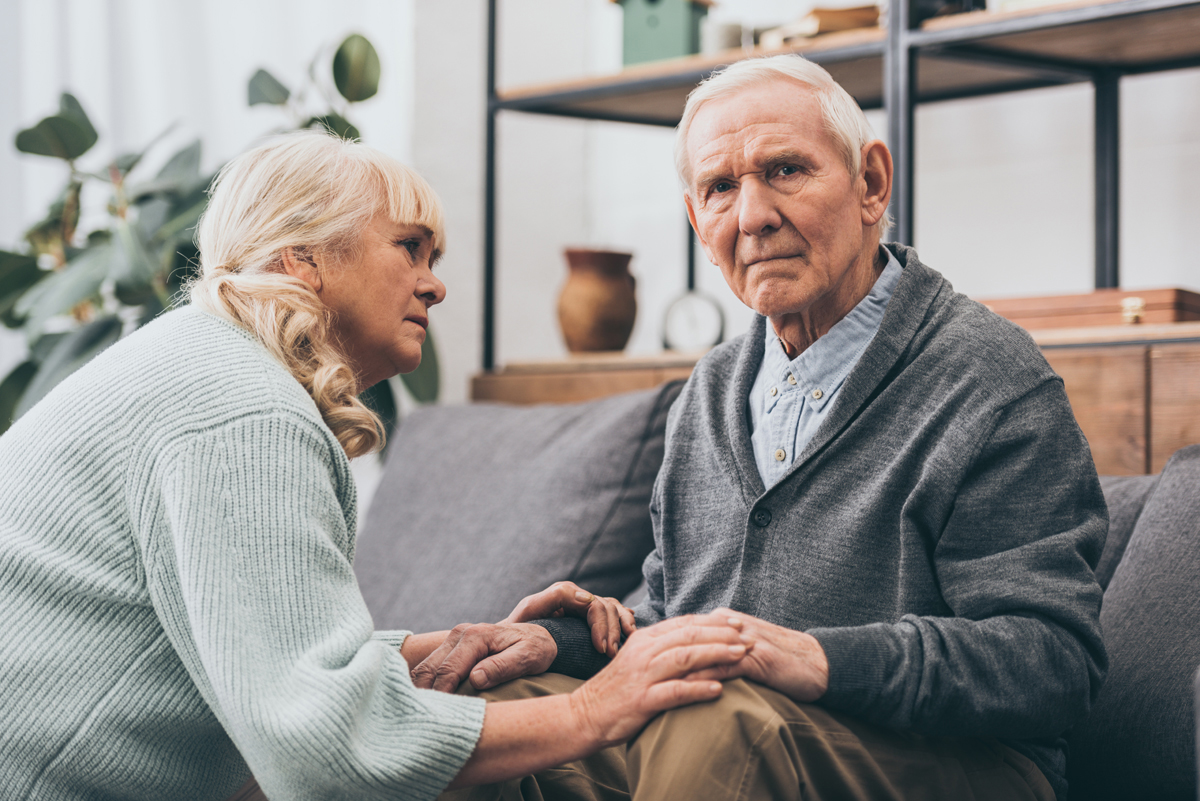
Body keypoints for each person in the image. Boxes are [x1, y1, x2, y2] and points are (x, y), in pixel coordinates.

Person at [0, 131, 755, 801]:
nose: (435, 284)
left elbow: (258, 650)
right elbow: (322, 753)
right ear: (302, 258)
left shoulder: (202, 365)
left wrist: (444, 643)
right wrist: (595, 709)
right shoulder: (242, 410)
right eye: (409, 248)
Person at [434, 54, 1108, 801]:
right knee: (480, 720)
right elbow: (679, 622)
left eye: (785, 170)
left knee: (714, 718)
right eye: (720, 187)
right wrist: (556, 643)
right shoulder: (712, 387)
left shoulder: (989, 375)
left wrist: (817, 659)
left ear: (871, 184)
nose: (753, 215)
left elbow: (1052, 660)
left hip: (956, 763)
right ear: (698, 220)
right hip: (724, 735)